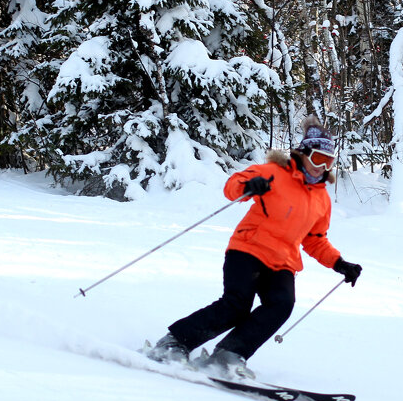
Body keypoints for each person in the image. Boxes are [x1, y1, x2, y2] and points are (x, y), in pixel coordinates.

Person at [145, 116, 363, 379]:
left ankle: (229, 354)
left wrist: (339, 263)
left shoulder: (321, 199)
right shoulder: (272, 172)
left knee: (282, 304)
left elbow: (315, 239)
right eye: (317, 158)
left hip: (283, 262)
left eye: (328, 162)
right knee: (236, 306)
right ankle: (174, 343)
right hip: (248, 249)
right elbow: (231, 187)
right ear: (303, 153)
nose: (321, 167)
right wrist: (249, 186)